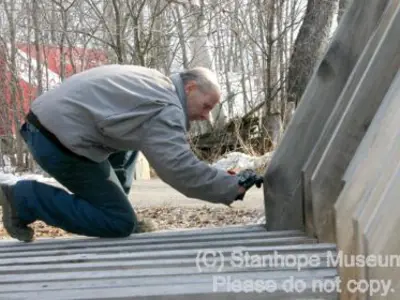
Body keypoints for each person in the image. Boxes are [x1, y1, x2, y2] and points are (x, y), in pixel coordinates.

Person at [0, 65, 263, 242]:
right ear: (190, 88)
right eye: (207, 106)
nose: (206, 116)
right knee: (118, 222)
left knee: (134, 141)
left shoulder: (154, 82)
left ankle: (112, 204)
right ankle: (24, 199)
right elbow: (179, 170)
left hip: (49, 126)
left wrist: (224, 177)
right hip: (57, 140)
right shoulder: (166, 107)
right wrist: (231, 186)